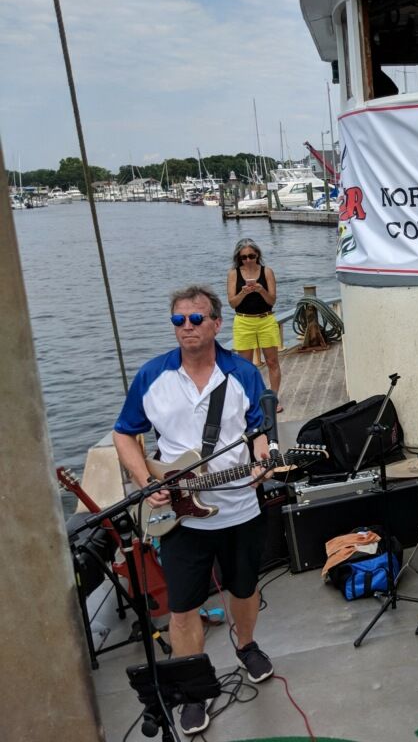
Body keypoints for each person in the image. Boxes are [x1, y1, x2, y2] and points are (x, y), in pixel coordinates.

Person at [112, 284, 275, 736]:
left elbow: (259, 429)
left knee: (245, 587)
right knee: (183, 608)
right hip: (179, 516)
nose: (187, 327)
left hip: (239, 506)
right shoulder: (153, 376)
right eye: (178, 320)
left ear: (216, 324)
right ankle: (191, 689)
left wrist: (263, 457)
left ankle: (247, 645)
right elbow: (124, 433)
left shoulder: (242, 373)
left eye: (196, 318)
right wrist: (146, 484)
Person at [227, 238, 283, 412]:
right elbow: (232, 303)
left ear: (257, 255)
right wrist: (243, 293)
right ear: (239, 258)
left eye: (251, 256)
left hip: (266, 319)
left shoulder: (267, 272)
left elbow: (271, 300)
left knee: (272, 361)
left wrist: (261, 290)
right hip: (243, 321)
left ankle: (273, 399)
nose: (248, 260)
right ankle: (251, 399)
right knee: (245, 366)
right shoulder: (233, 274)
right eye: (244, 257)